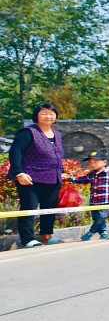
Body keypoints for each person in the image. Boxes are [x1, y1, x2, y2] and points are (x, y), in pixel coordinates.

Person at [6, 104, 64, 247]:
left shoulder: (56, 134)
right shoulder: (28, 132)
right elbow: (15, 153)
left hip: (52, 177)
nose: (48, 116)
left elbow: (57, 155)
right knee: (29, 207)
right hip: (30, 177)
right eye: (44, 113)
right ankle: (28, 239)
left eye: (51, 113)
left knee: (49, 208)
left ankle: (46, 235)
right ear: (36, 116)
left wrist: (61, 171)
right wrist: (19, 173)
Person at [67, 151, 109, 240]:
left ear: (104, 162)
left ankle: (90, 232)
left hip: (106, 201)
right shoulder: (91, 174)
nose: (92, 164)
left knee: (101, 217)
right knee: (96, 218)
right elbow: (82, 180)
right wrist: (69, 178)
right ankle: (103, 232)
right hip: (94, 201)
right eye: (90, 162)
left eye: (95, 162)